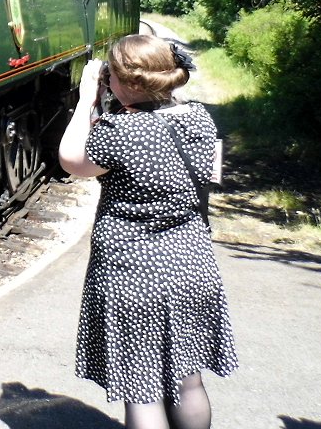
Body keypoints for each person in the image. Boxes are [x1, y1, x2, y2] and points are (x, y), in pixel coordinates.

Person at [57, 34, 237, 429]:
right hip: (193, 268)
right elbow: (209, 173)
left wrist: (88, 98)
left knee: (143, 390)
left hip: (134, 277)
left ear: (128, 83)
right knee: (189, 383)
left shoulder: (119, 132)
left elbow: (71, 159)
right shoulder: (199, 118)